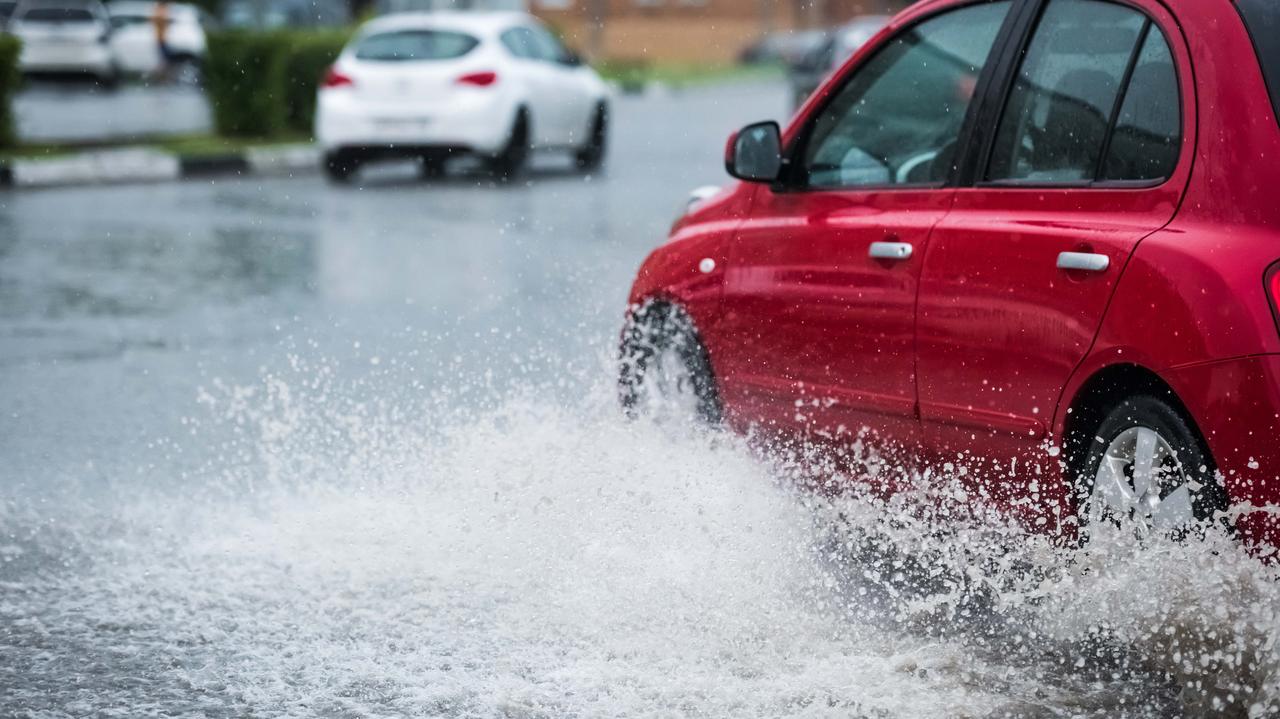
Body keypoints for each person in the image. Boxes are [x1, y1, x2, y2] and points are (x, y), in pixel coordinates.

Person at [150, 0, 173, 84]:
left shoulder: (158, 10)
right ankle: (158, 78)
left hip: (162, 39)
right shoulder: (160, 11)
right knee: (165, 61)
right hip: (161, 40)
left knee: (164, 60)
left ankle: (160, 78)